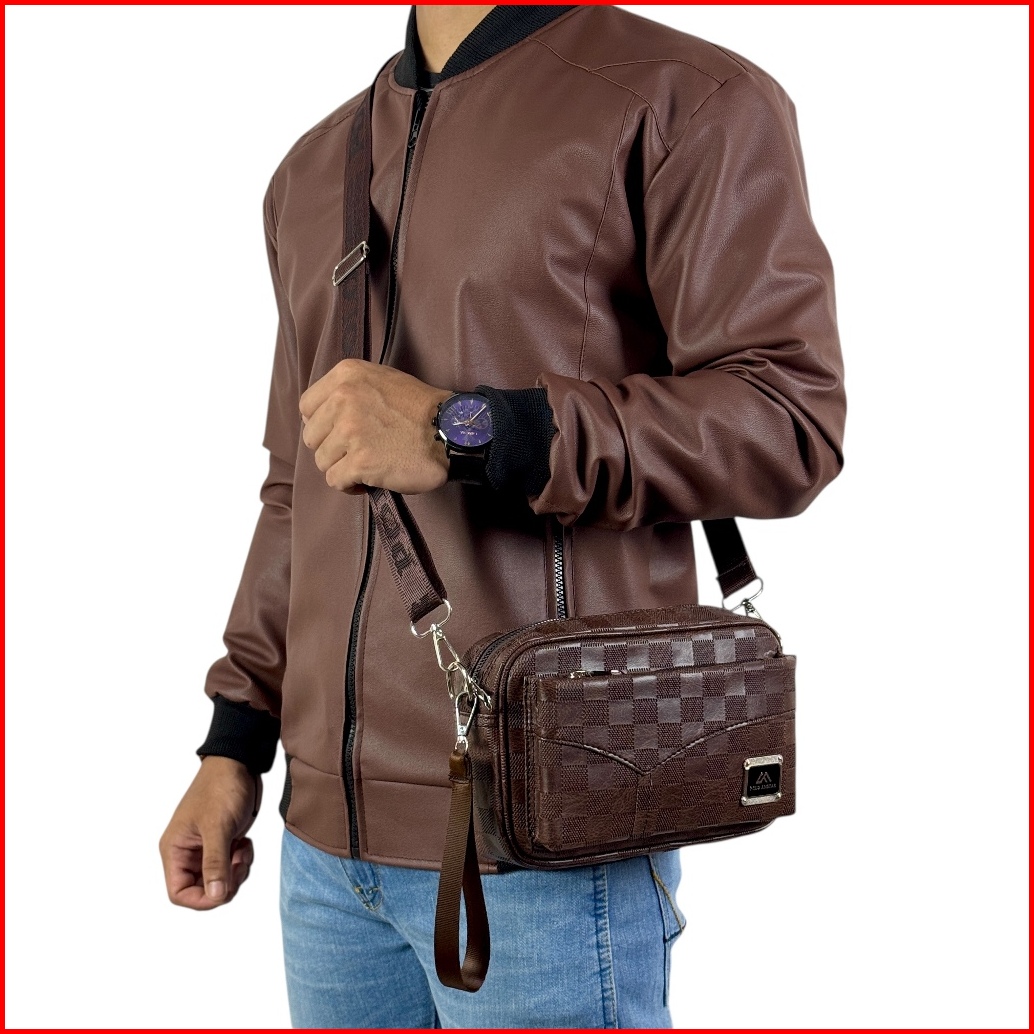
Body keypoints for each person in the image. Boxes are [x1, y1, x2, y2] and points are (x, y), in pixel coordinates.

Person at [159, 4, 847, 1028]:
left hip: (545, 839)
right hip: (322, 856)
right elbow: (296, 489)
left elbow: (787, 420)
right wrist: (234, 741)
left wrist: (464, 430)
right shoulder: (313, 168)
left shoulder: (684, 99)